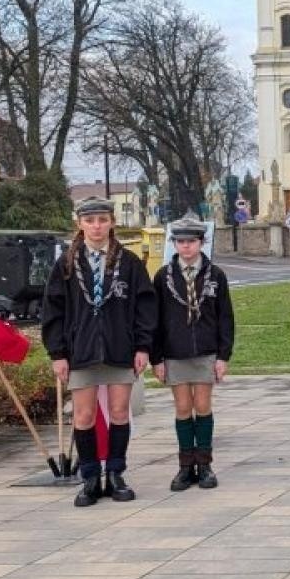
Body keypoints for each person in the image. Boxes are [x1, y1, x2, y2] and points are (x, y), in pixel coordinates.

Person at [42, 197, 157, 507]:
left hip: (120, 348)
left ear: (111, 223)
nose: (96, 226)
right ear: (79, 223)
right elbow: (53, 310)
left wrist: (143, 346)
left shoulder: (129, 263)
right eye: (90, 221)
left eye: (102, 220)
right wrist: (58, 353)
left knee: (120, 412)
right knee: (84, 415)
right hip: (81, 351)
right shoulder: (67, 264)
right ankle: (91, 478)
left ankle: (116, 474)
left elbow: (145, 307)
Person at [152, 216, 235, 492]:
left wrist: (223, 356)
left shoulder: (215, 275)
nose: (186, 247)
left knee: (203, 406)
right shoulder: (164, 277)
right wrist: (157, 358)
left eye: (191, 241)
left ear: (201, 243)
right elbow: (156, 320)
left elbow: (225, 318)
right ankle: (185, 465)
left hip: (205, 351)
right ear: (174, 244)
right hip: (174, 352)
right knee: (183, 408)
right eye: (181, 242)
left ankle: (205, 464)